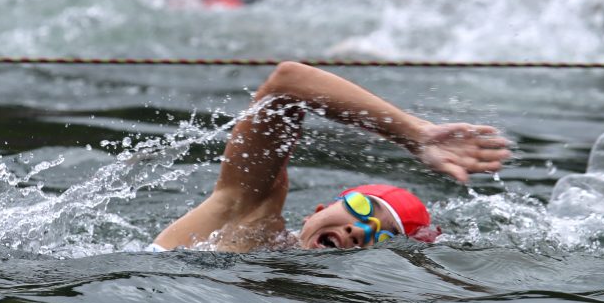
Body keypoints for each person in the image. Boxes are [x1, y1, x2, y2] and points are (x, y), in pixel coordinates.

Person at [153, 61, 510, 252]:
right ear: (319, 210)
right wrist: (414, 135)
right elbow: (287, 82)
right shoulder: (250, 216)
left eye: (383, 234)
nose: (360, 229)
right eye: (364, 208)